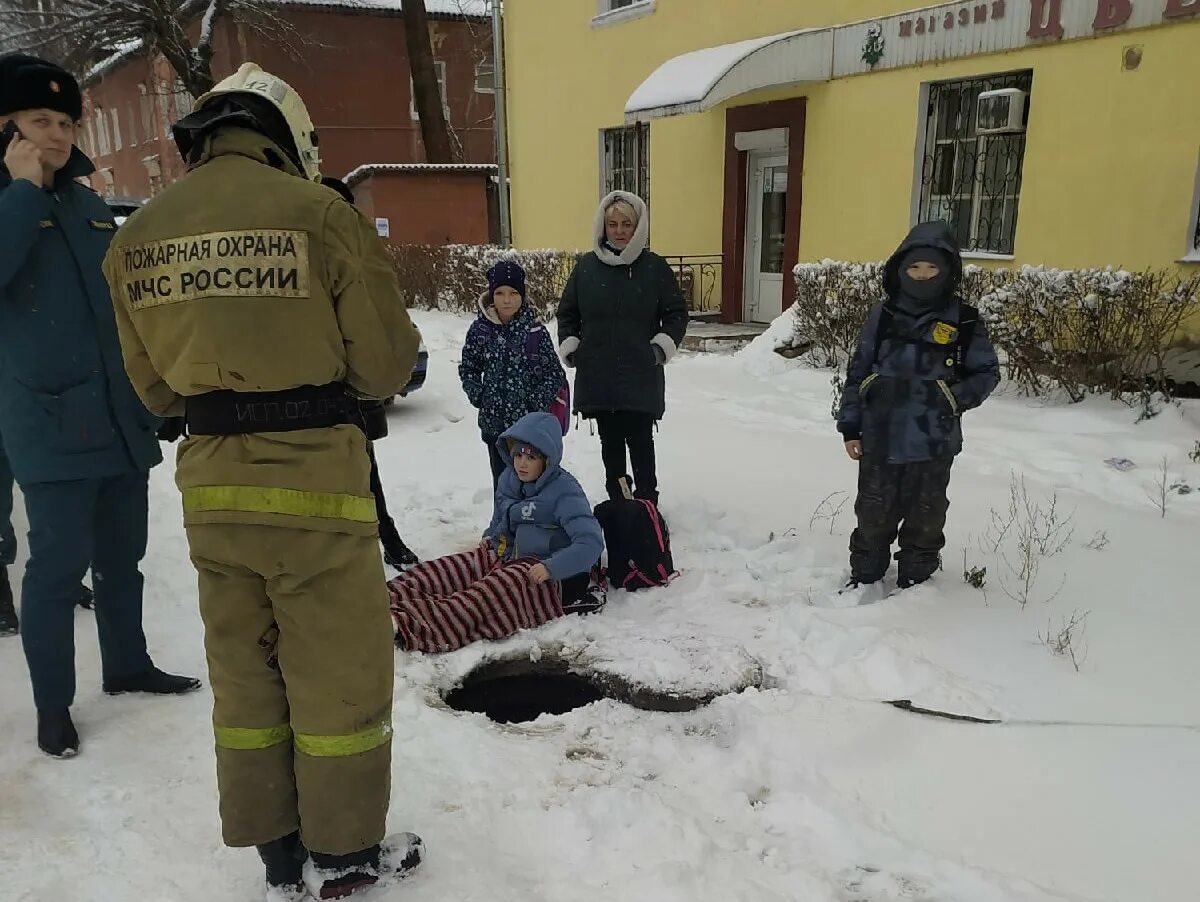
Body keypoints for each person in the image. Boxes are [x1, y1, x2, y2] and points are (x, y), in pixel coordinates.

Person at [102, 63, 423, 899]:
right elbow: (387, 364)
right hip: (317, 492)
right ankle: (346, 855)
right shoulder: (322, 216)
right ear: (286, 138)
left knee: (246, 677)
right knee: (337, 678)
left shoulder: (135, 238)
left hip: (213, 500)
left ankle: (275, 849)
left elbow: (156, 390)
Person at [0, 53, 199, 759]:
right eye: (38, 120)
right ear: (7, 129)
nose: (56, 135)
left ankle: (127, 664)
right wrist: (21, 193)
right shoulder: (10, 200)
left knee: (125, 558)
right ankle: (52, 705)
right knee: (55, 572)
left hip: (117, 418)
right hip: (49, 426)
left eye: (64, 121)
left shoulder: (88, 203)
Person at [836, 221, 1000, 591]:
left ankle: (917, 582)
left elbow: (986, 372)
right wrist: (850, 427)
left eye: (931, 268)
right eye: (914, 268)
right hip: (881, 434)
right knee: (873, 511)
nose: (922, 275)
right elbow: (858, 370)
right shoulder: (885, 315)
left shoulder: (965, 319)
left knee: (926, 516)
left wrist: (951, 398)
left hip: (934, 438)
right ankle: (865, 576)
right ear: (900, 269)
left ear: (947, 271)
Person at [389, 412, 605, 653]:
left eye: (531, 457)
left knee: (486, 595)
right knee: (450, 569)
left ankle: (404, 624)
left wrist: (551, 568)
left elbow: (591, 543)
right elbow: (501, 518)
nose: (522, 463)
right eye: (518, 455)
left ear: (547, 460)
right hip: (509, 555)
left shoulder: (564, 491)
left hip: (556, 575)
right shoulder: (510, 481)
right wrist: (490, 535)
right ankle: (384, 598)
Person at [556, 190, 688, 505]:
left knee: (641, 441)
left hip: (640, 373)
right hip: (598, 373)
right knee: (610, 443)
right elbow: (568, 312)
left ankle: (646, 504)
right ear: (603, 226)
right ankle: (619, 499)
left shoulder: (653, 267)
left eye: (625, 224)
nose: (618, 231)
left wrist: (659, 348)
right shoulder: (586, 268)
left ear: (637, 226)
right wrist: (571, 344)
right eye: (612, 224)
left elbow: (676, 313)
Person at [321, 175, 420, 572]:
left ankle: (388, 539)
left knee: (366, 472)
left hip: (352, 392)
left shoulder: (361, 253)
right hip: (316, 391)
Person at [459, 259, 565, 489]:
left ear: (523, 294)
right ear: (491, 295)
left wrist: (534, 403)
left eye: (513, 292)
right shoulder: (480, 331)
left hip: (528, 428)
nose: (507, 300)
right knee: (502, 483)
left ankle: (528, 524)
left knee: (530, 483)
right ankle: (504, 524)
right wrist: (479, 394)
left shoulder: (535, 331)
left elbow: (554, 374)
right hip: (494, 425)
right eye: (499, 293)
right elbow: (469, 367)